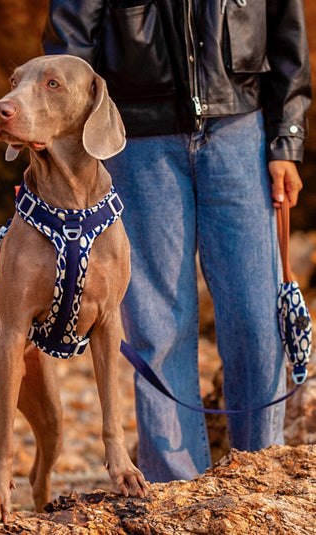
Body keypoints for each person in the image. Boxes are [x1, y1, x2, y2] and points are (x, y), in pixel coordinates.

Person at [43, 0, 312, 483]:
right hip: (140, 144)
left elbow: (288, 42)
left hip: (240, 132)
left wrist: (285, 142)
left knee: (257, 322)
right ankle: (176, 493)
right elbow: (70, 50)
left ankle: (260, 482)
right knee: (157, 328)